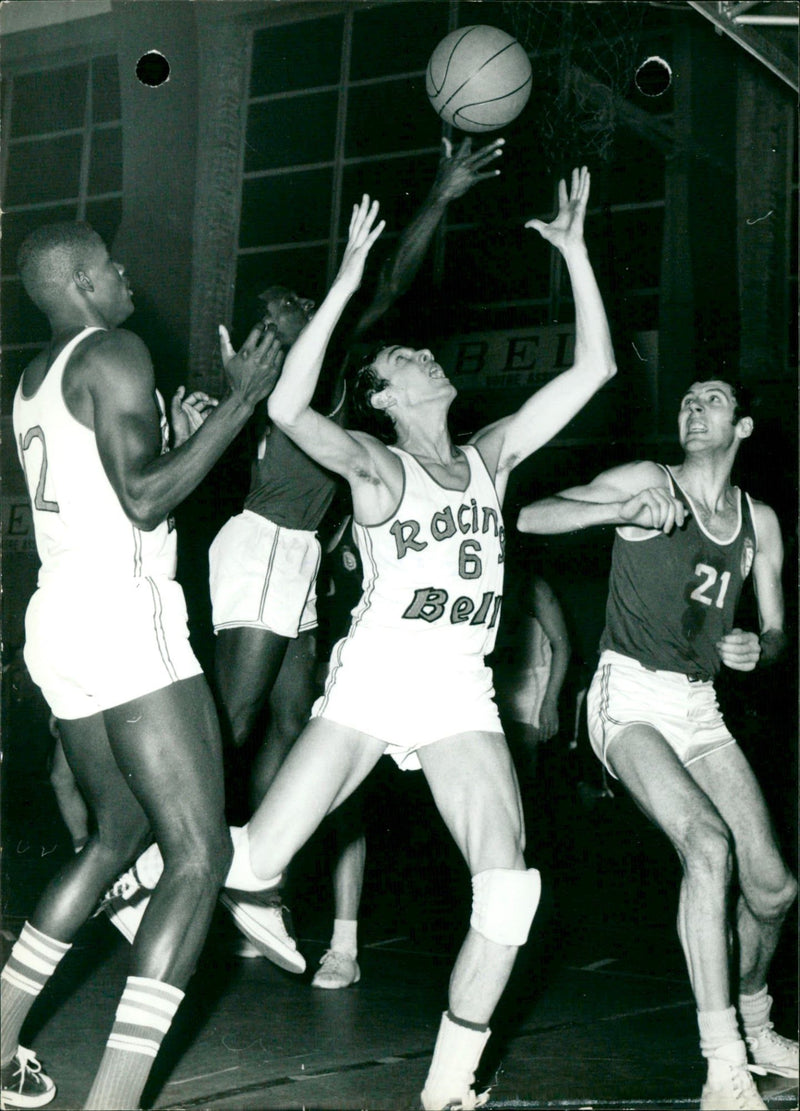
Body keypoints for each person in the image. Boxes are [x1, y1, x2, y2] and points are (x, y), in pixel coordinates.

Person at [207, 167, 614, 1110]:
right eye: (406, 361)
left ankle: (446, 1089)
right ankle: (141, 865)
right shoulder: (378, 468)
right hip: (375, 681)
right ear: (383, 398)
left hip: (458, 692)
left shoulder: (491, 455)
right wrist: (348, 284)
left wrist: (578, 254)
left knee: (509, 895)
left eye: (424, 353)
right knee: (254, 861)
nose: (429, 357)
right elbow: (284, 410)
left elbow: (593, 370)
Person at [208, 137, 507, 985]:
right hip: (264, 544)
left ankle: (258, 873)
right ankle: (174, 853)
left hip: (299, 556)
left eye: (298, 297)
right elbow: (387, 286)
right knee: (236, 719)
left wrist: (440, 197)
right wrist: (435, 202)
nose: (296, 304)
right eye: (281, 306)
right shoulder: (318, 380)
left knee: (310, 727)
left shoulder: (324, 374)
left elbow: (385, 287)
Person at [1, 221, 280, 1110]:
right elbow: (147, 495)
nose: (128, 275)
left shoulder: (32, 380)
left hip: (61, 622)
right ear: (82, 280)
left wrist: (179, 429)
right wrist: (242, 403)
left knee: (115, 837)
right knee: (201, 853)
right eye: (113, 265)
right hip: (125, 618)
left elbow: (119, 477)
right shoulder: (115, 349)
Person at [517, 379, 798, 1110]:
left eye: (709, 400)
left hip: (698, 704)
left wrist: (757, 648)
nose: (691, 408)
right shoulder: (649, 480)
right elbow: (530, 515)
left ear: (742, 425)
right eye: (685, 400)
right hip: (629, 694)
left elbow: (777, 631)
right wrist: (618, 510)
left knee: (772, 887)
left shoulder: (757, 521)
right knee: (707, 846)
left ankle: (757, 1023)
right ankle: (722, 1063)